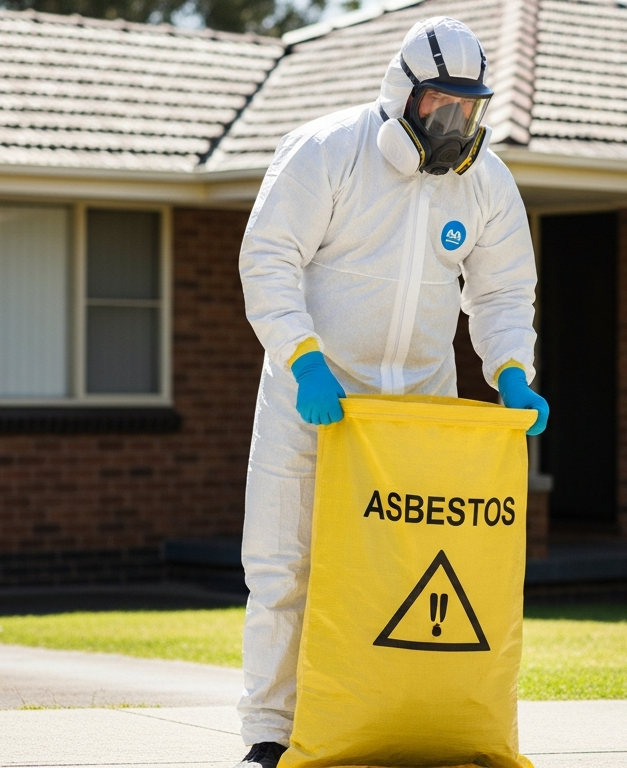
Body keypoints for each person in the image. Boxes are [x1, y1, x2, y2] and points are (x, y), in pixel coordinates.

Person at [233, 16, 549, 768]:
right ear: (401, 96)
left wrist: (512, 373)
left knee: (408, 565)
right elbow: (269, 259)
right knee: (286, 566)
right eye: (440, 105)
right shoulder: (327, 151)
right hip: (314, 400)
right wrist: (304, 358)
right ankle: (270, 734)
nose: (454, 124)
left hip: (418, 413)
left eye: (468, 108)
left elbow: (504, 292)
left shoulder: (485, 183)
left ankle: (399, 720)